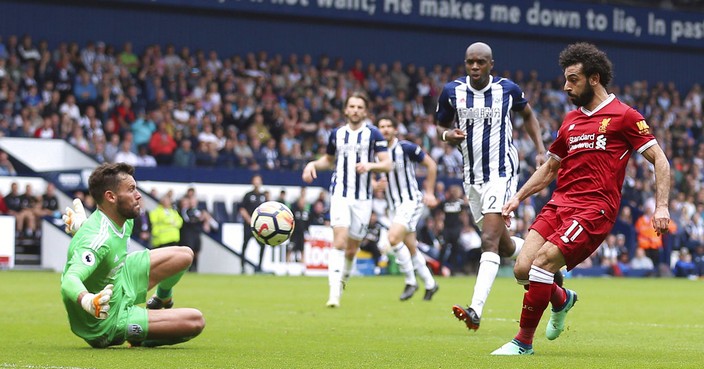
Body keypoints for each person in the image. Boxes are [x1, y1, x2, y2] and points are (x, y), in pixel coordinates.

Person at [492, 42, 670, 355]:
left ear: (594, 78)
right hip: (559, 204)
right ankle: (562, 299)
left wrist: (662, 206)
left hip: (593, 209)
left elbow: (660, 159)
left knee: (543, 263)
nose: (566, 86)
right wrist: (517, 197)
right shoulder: (570, 121)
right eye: (566, 79)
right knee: (522, 269)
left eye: (573, 79)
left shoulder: (625, 116)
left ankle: (522, 343)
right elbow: (549, 169)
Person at [437, 42, 547, 331]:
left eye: (480, 62)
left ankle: (476, 309)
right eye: (470, 62)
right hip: (471, 177)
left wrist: (539, 148)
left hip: (501, 172)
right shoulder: (452, 92)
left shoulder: (507, 90)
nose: (475, 67)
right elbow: (439, 126)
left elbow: (528, 115)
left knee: (488, 240)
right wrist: (448, 134)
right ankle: (544, 261)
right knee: (503, 243)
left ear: (490, 64)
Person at [60, 163, 204, 348]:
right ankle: (139, 337)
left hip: (121, 277)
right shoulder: (97, 239)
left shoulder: (122, 218)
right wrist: (88, 300)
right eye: (131, 190)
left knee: (185, 255)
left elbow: (104, 235)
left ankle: (161, 299)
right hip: (106, 318)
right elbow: (69, 280)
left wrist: (81, 227)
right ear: (111, 197)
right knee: (195, 321)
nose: (138, 195)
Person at [302, 92, 392, 308]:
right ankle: (333, 294)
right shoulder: (336, 134)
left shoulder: (373, 134)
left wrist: (370, 166)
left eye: (359, 107)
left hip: (363, 198)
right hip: (340, 194)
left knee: (352, 249)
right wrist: (312, 164)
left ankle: (343, 281)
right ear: (345, 110)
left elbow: (387, 163)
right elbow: (329, 160)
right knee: (339, 242)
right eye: (351, 106)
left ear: (365, 111)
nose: (355, 110)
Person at [376, 116, 439, 301]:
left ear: (395, 129)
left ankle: (411, 281)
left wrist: (429, 192)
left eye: (389, 126)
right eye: (382, 126)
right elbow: (374, 177)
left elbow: (431, 165)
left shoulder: (406, 148)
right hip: (393, 205)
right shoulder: (376, 153)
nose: (385, 129)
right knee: (411, 247)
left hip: (410, 201)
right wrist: (376, 184)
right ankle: (431, 283)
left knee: (393, 238)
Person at [239, 174, 267, 272]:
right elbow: (242, 209)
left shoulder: (263, 196)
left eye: (258, 180)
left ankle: (259, 267)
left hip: (259, 227)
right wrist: (249, 220)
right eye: (255, 180)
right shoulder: (248, 195)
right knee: (245, 245)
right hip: (248, 225)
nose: (256, 183)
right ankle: (242, 267)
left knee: (263, 245)